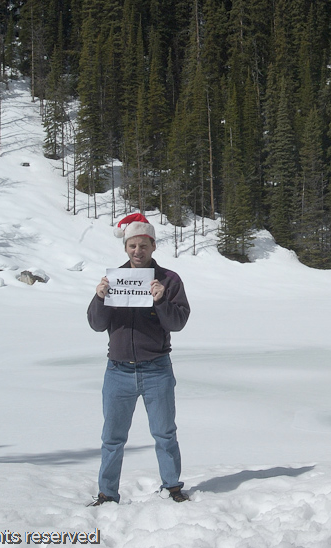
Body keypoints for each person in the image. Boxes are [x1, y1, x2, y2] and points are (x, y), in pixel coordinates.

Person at [87, 213, 191, 506]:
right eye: (132, 246)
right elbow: (96, 324)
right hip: (118, 371)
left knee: (164, 433)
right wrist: (100, 297)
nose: (137, 251)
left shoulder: (169, 280)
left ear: (153, 246)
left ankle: (172, 487)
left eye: (143, 246)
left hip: (156, 369)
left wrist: (161, 302)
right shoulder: (114, 279)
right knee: (112, 438)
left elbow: (178, 322)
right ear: (126, 248)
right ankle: (107, 493)